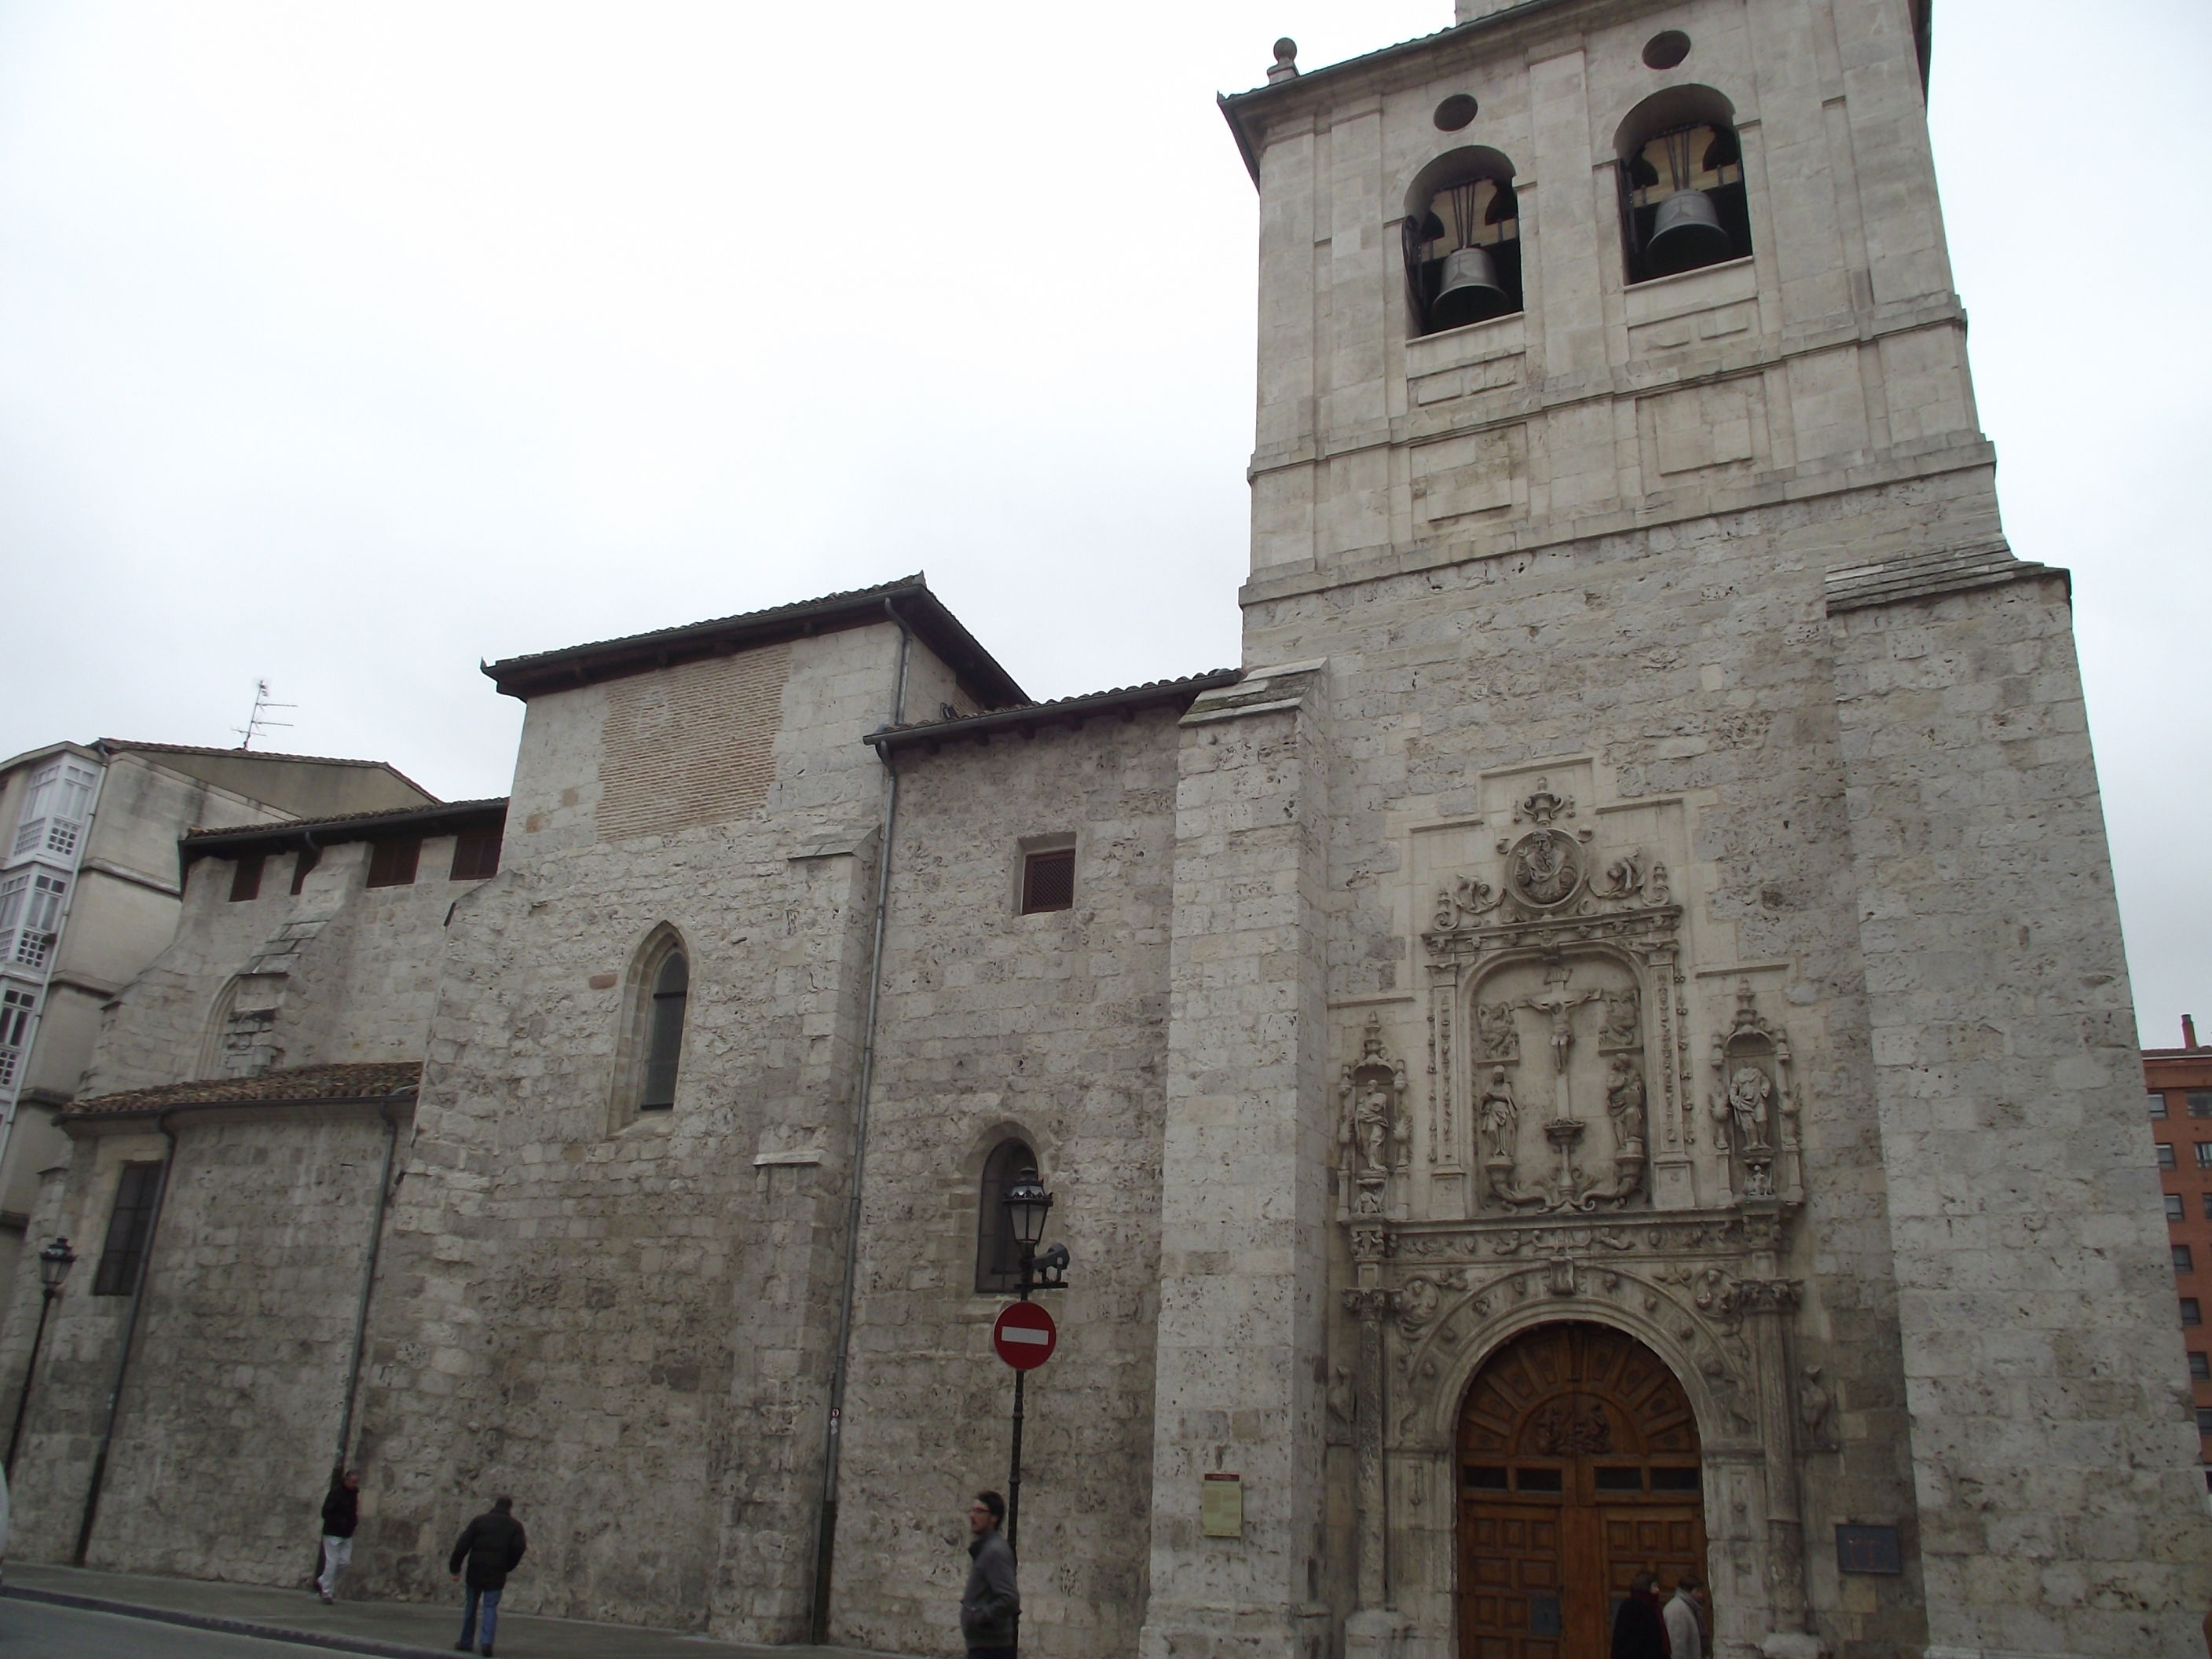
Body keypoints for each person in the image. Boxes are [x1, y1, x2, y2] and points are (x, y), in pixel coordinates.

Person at [448, 1495, 527, 1657]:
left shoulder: (479, 1521)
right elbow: (519, 1548)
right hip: (496, 1572)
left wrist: (455, 1567)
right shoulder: (515, 1526)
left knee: (471, 1606)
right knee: (490, 1607)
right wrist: (508, 1566)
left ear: (495, 1505)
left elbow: (463, 1544)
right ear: (510, 1508)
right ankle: (486, 1643)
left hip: (476, 1569)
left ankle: (466, 1641)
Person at [960, 1489, 1019, 1659]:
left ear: (994, 1518)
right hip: (982, 1646)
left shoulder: (995, 1551)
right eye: (972, 1510)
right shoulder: (986, 1549)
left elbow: (1010, 1598)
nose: (972, 1516)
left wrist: (979, 1616)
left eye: (979, 1511)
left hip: (991, 1649)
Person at [317, 1467, 361, 1604]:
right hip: (333, 1533)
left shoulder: (354, 1494)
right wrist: (340, 1521)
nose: (354, 1485)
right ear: (346, 1480)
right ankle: (327, 1593)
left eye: (356, 1482)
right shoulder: (336, 1493)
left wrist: (353, 1523)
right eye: (353, 1482)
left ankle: (324, 1580)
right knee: (332, 1562)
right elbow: (326, 1513)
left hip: (346, 1534)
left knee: (344, 1562)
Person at [1610, 1569, 1668, 1659]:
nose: (1658, 1590)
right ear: (1645, 1587)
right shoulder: (1634, 1607)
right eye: (1654, 1586)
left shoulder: (1653, 1606)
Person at [1663, 1572, 1707, 1659]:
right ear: (1687, 1591)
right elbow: (1676, 1644)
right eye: (1697, 1591)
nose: (1700, 1595)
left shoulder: (1689, 1608)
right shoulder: (1677, 1610)